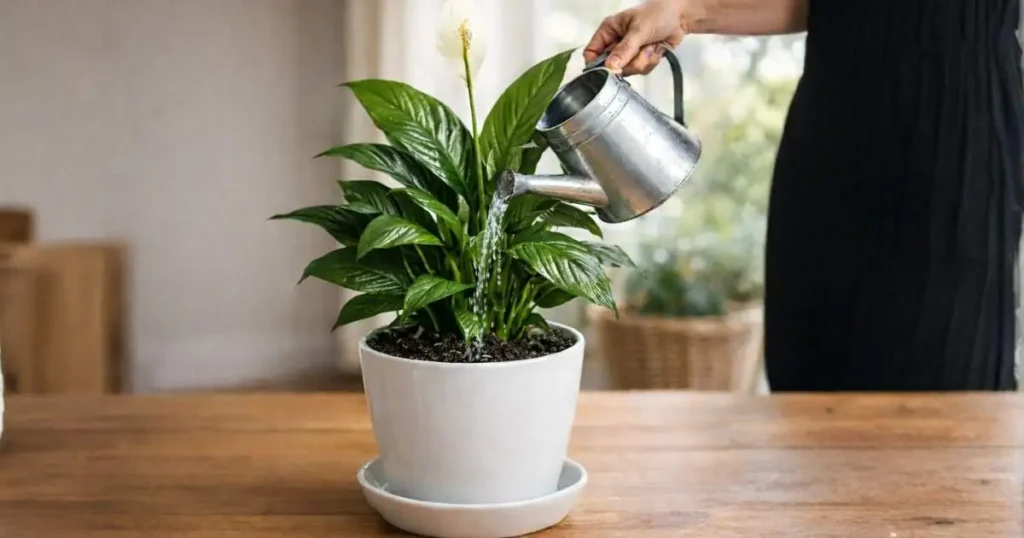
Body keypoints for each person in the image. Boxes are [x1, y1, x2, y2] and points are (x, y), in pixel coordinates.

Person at [585, 0, 1023, 391]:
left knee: (949, 398)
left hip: (959, 141)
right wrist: (683, 11)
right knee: (810, 389)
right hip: (832, 137)